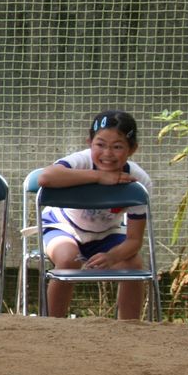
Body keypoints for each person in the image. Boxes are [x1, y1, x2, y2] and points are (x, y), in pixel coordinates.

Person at [37, 110, 151, 320]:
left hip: (106, 233)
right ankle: (52, 324)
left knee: (133, 264)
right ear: (89, 142)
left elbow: (135, 240)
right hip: (63, 226)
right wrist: (99, 176)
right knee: (68, 259)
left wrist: (112, 256)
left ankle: (130, 328)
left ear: (132, 149)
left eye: (117, 147)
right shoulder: (79, 161)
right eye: (100, 144)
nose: (107, 153)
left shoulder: (138, 181)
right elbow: (46, 178)